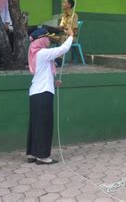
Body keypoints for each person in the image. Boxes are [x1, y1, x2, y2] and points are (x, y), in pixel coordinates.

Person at [26, 27, 73, 164]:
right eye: (45, 37)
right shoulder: (42, 53)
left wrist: (53, 82)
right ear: (40, 40)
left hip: (36, 92)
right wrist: (70, 36)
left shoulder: (38, 54)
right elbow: (62, 50)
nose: (48, 40)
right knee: (44, 124)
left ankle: (32, 154)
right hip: (43, 93)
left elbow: (44, 73)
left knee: (35, 124)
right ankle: (43, 156)